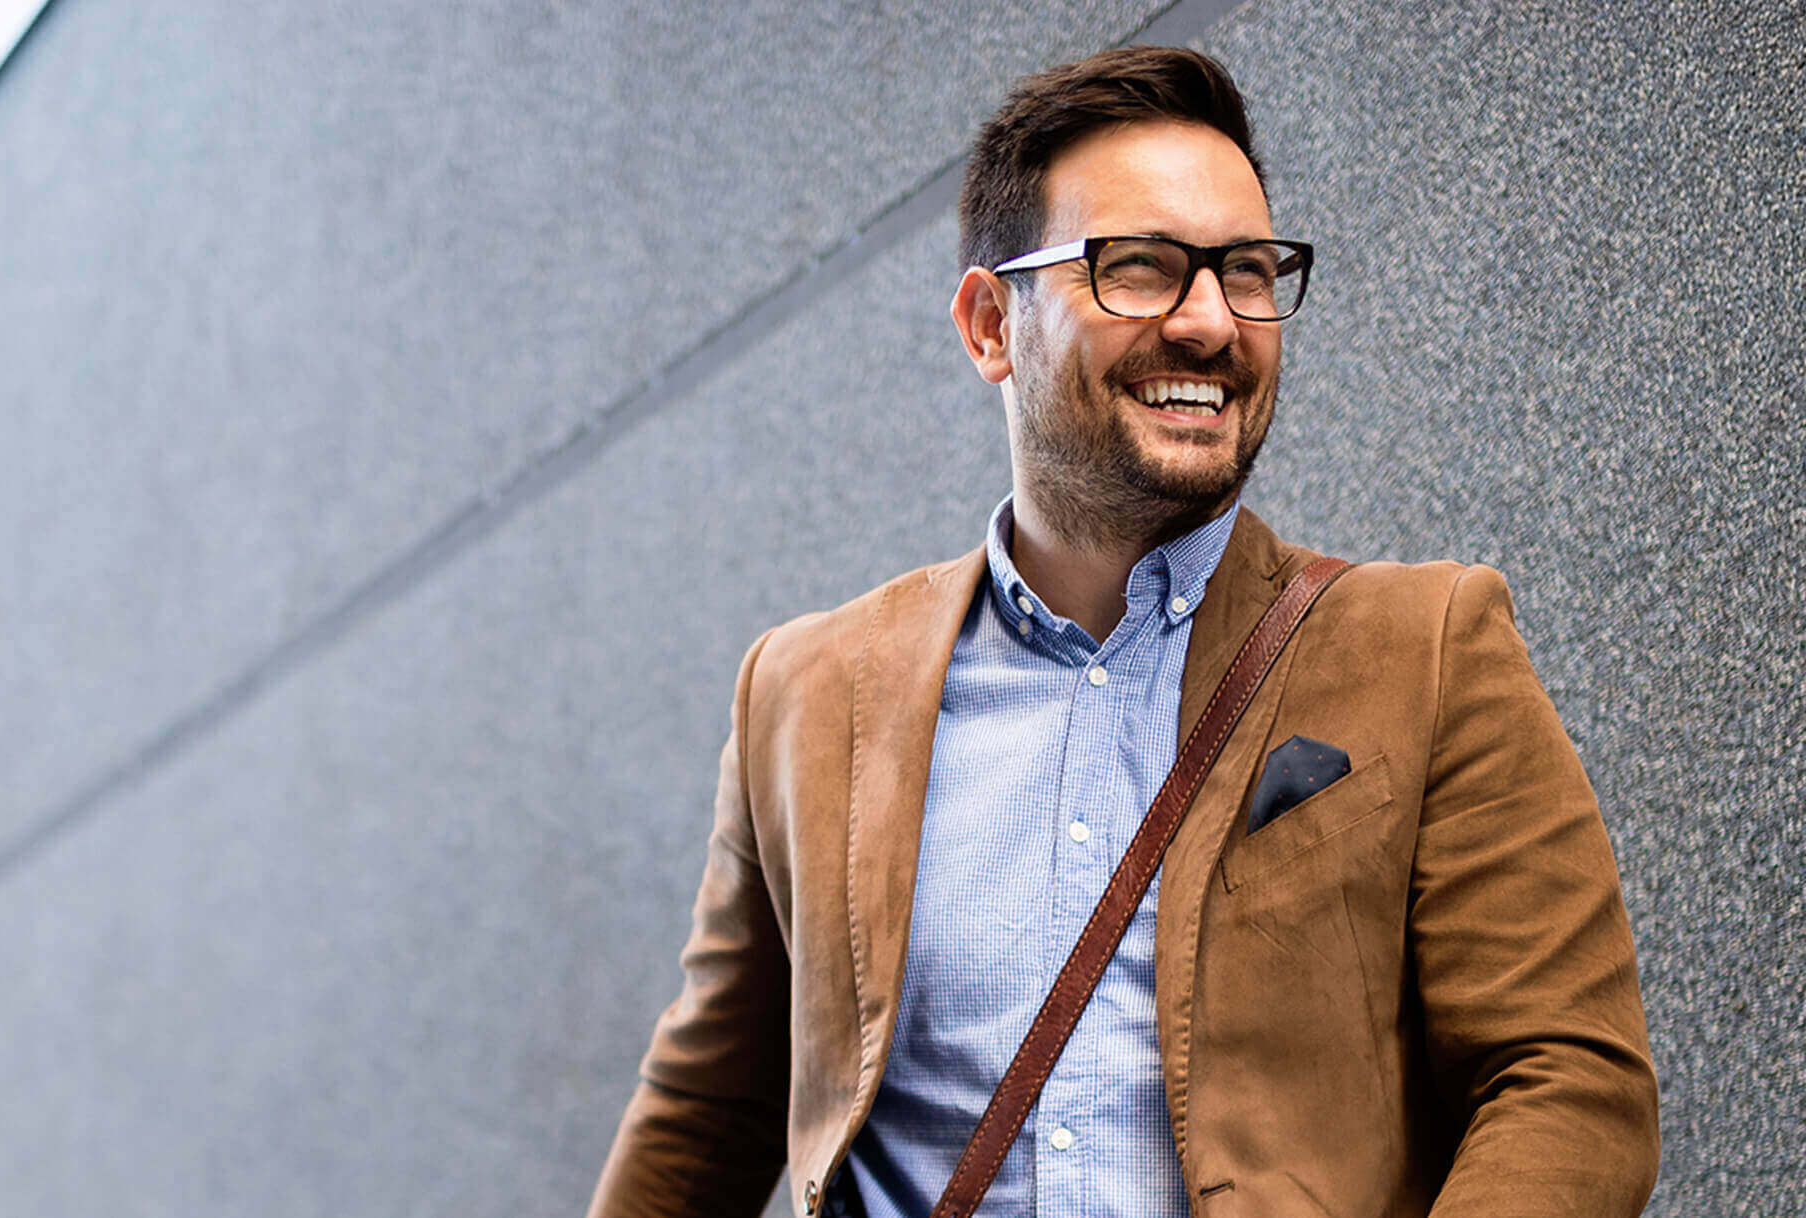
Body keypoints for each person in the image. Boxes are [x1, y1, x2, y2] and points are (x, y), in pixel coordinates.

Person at [588, 45, 1657, 1218]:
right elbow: (705, 1120)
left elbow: (1563, 1078)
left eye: (1246, 271)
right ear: (990, 322)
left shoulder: (1427, 648)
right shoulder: (801, 691)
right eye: (1140, 268)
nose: (1211, 323)